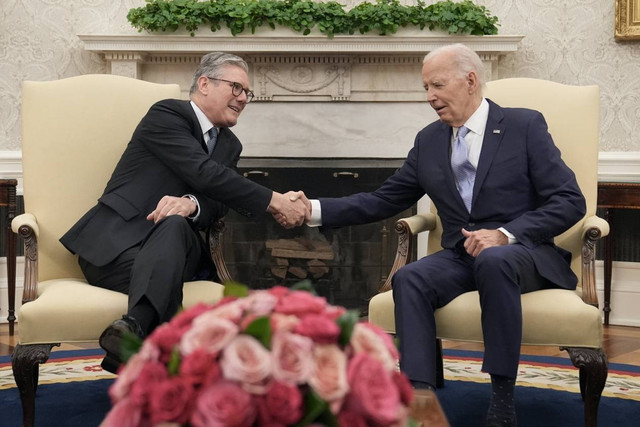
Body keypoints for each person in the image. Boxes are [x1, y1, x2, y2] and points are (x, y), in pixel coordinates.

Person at [291, 43, 586, 426]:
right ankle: (419, 397)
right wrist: (312, 209)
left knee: (495, 259)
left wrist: (505, 233)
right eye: (425, 87)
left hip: (522, 254)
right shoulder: (429, 140)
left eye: (437, 85)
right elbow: (384, 199)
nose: (429, 96)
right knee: (411, 276)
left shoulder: (524, 126)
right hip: (462, 256)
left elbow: (569, 200)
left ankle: (501, 397)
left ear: (470, 80)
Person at [60, 52, 309, 373]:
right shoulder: (167, 114)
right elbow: (204, 172)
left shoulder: (230, 145)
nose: (244, 98)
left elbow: (219, 200)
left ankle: (131, 329)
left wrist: (193, 203)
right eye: (236, 87)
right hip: (116, 250)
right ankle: (156, 362)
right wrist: (274, 199)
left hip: (175, 250)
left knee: (176, 225)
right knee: (164, 271)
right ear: (204, 84)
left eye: (248, 92)